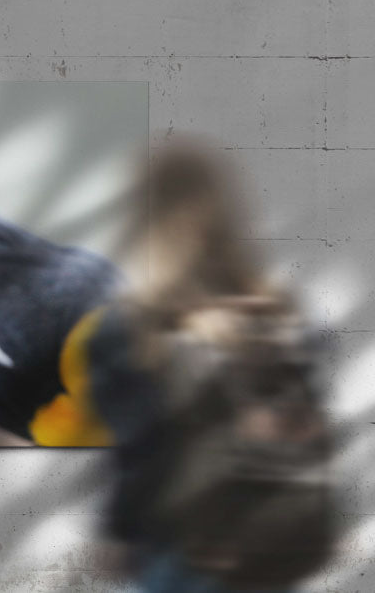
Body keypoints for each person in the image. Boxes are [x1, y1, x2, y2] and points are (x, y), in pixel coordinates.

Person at [88, 140, 333, 592]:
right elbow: (314, 421)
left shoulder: (134, 329)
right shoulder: (279, 313)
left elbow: (138, 453)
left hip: (181, 550)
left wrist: (118, 532)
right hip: (270, 541)